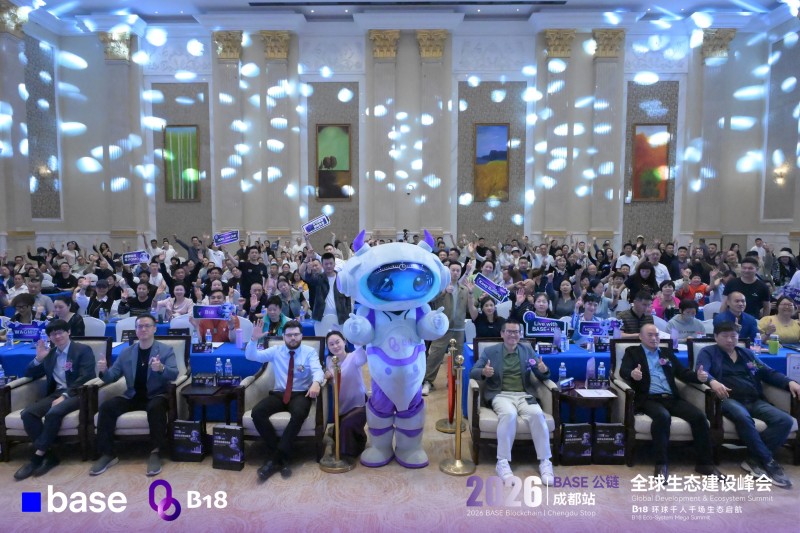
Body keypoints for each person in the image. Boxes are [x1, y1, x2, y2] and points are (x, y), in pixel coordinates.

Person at [696, 321, 800, 488]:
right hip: (728, 399)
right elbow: (702, 372)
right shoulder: (708, 352)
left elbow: (767, 372)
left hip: (754, 399)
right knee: (743, 417)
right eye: (725, 336)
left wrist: (789, 382)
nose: (729, 340)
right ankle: (769, 461)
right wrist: (712, 381)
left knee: (785, 420)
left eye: (733, 336)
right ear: (715, 337)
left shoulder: (746, 354)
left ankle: (754, 459)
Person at [619, 324, 722, 480]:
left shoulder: (666, 353)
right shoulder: (632, 352)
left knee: (699, 417)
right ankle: (661, 464)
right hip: (648, 398)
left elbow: (682, 373)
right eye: (650, 335)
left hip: (671, 397)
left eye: (656, 335)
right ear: (640, 337)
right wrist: (633, 374)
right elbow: (623, 371)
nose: (654, 338)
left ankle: (705, 464)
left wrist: (698, 377)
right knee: (662, 417)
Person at [90, 314, 179, 477]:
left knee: (156, 408)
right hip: (132, 396)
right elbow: (112, 377)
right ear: (136, 330)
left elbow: (174, 374)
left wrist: (161, 368)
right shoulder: (127, 352)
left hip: (156, 395)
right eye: (139, 326)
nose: (143, 329)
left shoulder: (165, 350)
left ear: (154, 329)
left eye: (147, 326)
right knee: (107, 407)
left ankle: (155, 452)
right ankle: (108, 454)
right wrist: (103, 370)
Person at [469, 320, 555, 486]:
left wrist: (544, 370)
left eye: (516, 332)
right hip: (501, 395)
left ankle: (545, 461)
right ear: (502, 334)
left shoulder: (527, 350)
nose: (513, 335)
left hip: (524, 395)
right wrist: (484, 372)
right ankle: (502, 462)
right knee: (509, 414)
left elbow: (541, 373)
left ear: (520, 335)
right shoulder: (490, 351)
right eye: (509, 331)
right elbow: (473, 372)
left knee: (537, 414)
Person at [13, 320, 96, 480]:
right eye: (53, 334)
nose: (57, 337)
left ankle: (37, 457)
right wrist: (38, 359)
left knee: (54, 412)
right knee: (28, 414)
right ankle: (50, 455)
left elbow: (87, 376)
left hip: (79, 393)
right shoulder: (50, 354)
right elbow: (29, 374)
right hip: (56, 393)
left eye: (60, 332)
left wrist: (65, 396)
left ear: (68, 332)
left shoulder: (83, 350)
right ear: (49, 337)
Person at [245, 320, 324, 481]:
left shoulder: (309, 352)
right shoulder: (276, 350)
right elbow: (252, 356)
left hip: (301, 394)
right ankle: (282, 457)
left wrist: (316, 382)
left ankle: (274, 460)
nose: (293, 338)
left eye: (296, 334)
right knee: (257, 413)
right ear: (283, 337)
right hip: (279, 393)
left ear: (301, 335)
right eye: (289, 335)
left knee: (299, 413)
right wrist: (253, 340)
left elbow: (318, 370)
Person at [422, 261, 468, 396]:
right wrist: (443, 292)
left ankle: (453, 380)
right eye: (453, 270)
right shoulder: (440, 286)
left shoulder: (464, 289)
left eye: (458, 270)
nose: (455, 273)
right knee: (435, 354)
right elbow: (430, 300)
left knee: (458, 356)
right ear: (448, 271)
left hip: (459, 328)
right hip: (442, 327)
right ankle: (427, 381)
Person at [323, 331, 367, 458]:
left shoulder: (354, 357)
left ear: (344, 342)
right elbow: (326, 375)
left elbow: (363, 358)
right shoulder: (330, 360)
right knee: (339, 434)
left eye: (338, 342)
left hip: (358, 404)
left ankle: (347, 456)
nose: (335, 346)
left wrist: (358, 343)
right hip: (341, 406)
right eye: (331, 344)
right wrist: (326, 374)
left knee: (347, 426)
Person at [300, 245, 351, 332]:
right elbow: (309, 278)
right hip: (321, 317)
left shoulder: (342, 279)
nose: (329, 266)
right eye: (326, 264)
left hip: (340, 317)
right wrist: (308, 269)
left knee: (340, 340)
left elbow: (347, 299)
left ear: (334, 264)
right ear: (322, 265)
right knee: (322, 339)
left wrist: (348, 314)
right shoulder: (319, 278)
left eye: (331, 263)